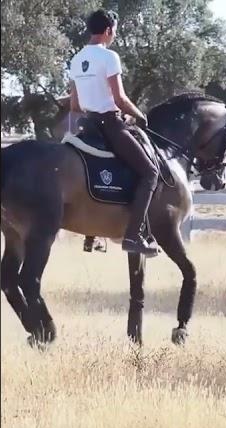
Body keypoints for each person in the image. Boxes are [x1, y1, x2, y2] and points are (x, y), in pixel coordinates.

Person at [69, 9, 159, 257]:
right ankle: (132, 237)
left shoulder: (76, 60)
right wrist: (140, 116)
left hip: (87, 126)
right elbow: (119, 98)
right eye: (115, 31)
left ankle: (92, 235)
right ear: (109, 30)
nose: (114, 35)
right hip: (109, 125)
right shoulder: (109, 56)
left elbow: (75, 106)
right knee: (150, 172)